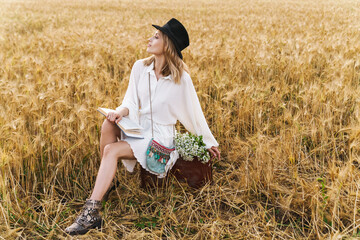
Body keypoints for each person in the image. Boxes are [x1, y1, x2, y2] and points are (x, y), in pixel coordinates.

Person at [64, 18, 220, 236]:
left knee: (111, 150)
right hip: (140, 127)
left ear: (167, 45)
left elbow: (195, 114)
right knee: (108, 125)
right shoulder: (140, 67)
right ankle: (107, 184)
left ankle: (91, 213)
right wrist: (118, 113)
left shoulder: (181, 79)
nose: (150, 39)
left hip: (161, 137)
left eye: (156, 37)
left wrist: (208, 142)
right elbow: (129, 102)